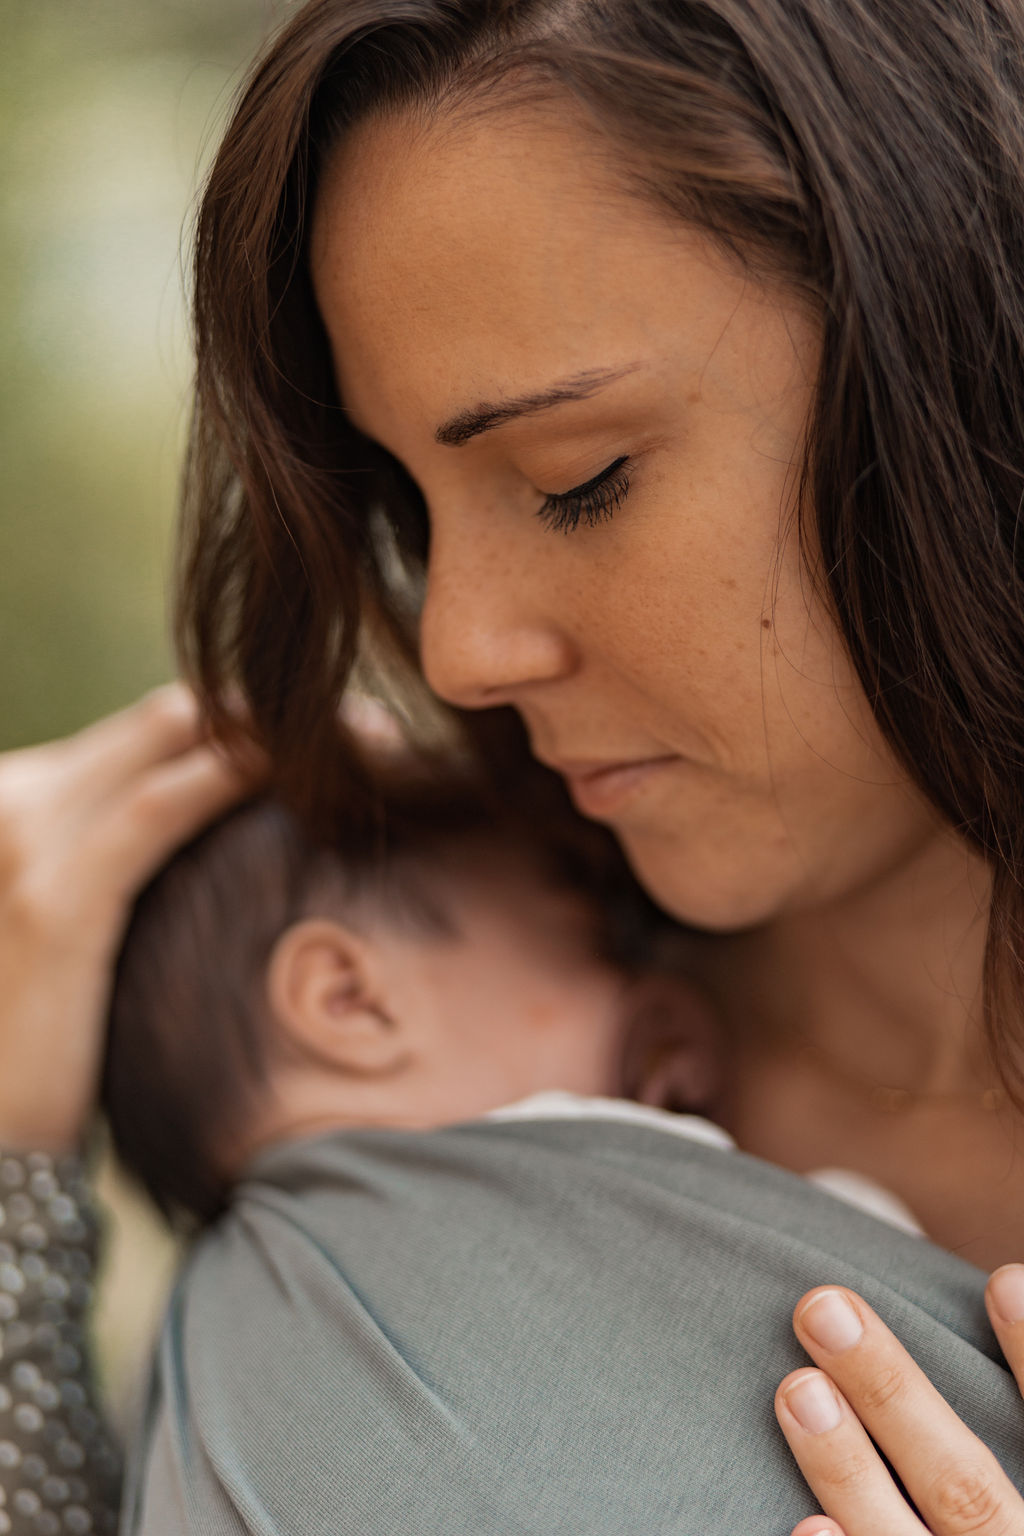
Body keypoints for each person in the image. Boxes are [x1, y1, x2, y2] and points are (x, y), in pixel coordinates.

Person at [2, 0, 1024, 1531]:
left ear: (953, 344)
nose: (460, 650)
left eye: (577, 479)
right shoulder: (417, 1106)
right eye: (413, 512)